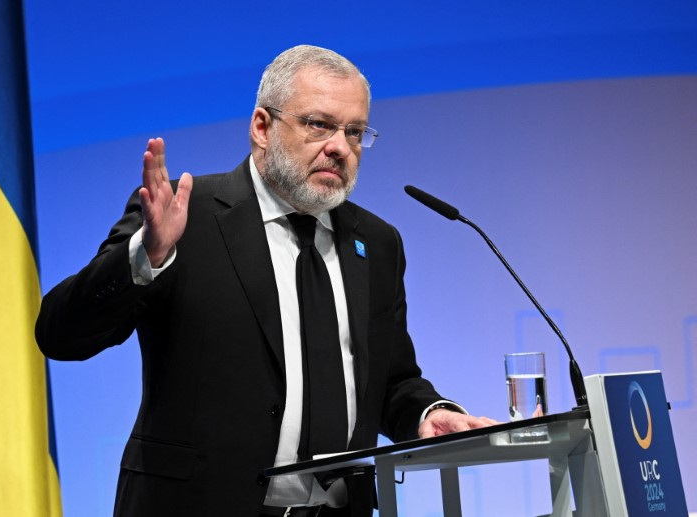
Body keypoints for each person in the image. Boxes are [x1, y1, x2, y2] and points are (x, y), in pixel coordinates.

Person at [36, 45, 497, 517]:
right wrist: (147, 255)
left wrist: (425, 412)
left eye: (355, 132)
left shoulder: (377, 243)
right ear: (262, 127)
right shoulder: (184, 215)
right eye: (319, 124)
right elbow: (60, 334)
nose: (339, 147)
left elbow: (390, 378)